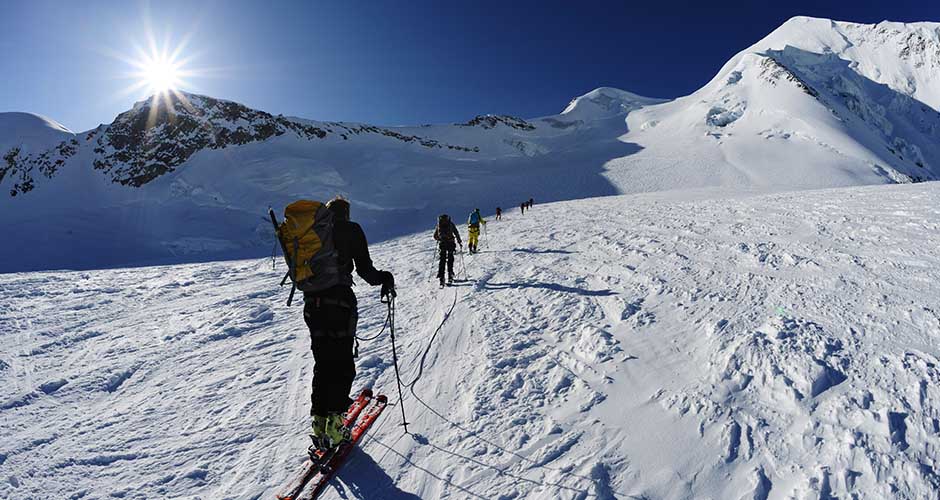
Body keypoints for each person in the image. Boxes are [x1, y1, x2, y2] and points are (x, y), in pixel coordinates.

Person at [305, 196, 395, 451]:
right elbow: (365, 271)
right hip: (340, 304)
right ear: (346, 212)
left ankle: (319, 421)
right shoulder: (351, 229)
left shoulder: (313, 232)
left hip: (312, 305)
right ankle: (336, 423)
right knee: (342, 363)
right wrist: (385, 278)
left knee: (323, 362)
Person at [433, 214, 461, 286]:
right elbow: (456, 232)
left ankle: (441, 278)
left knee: (442, 260)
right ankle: (450, 274)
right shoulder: (451, 224)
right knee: (450, 258)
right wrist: (459, 241)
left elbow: (435, 236)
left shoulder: (439, 224)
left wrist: (439, 239)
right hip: (450, 243)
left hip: (442, 244)